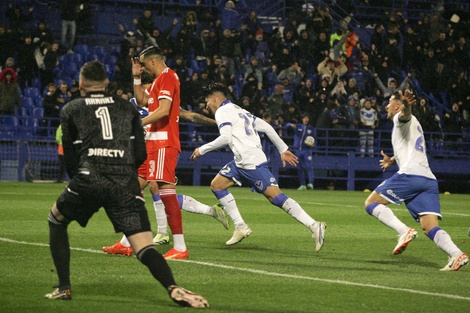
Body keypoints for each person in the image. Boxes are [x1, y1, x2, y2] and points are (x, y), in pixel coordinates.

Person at [44, 61, 209, 308]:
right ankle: (173, 288)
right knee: (144, 245)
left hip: (88, 177)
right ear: (107, 84)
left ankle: (64, 287)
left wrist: (80, 178)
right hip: (124, 182)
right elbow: (140, 154)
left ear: (80, 85)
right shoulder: (125, 108)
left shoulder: (71, 109)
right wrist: (124, 173)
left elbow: (70, 157)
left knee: (56, 219)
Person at [103, 75, 229, 257]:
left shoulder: (164, 104)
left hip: (159, 150)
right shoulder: (134, 103)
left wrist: (217, 123)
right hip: (142, 153)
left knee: (158, 191)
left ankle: (160, 236)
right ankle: (129, 241)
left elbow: (190, 116)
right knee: (134, 193)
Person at [191, 83, 326, 251]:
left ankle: (314, 225)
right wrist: (283, 149)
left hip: (250, 162)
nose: (207, 106)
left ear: (214, 98)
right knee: (217, 185)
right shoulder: (239, 109)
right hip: (241, 161)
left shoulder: (222, 111)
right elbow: (266, 127)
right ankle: (240, 226)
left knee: (276, 198)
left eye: (207, 101)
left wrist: (201, 149)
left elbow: (225, 137)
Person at [364, 90, 468, 271]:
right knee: (429, 227)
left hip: (410, 175)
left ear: (397, 106)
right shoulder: (413, 125)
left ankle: (404, 231)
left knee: (370, 203)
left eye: (390, 102)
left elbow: (405, 115)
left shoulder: (400, 118)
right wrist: (393, 159)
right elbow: (410, 146)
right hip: (427, 179)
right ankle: (457, 254)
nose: (387, 106)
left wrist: (407, 106)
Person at [131, 46, 188, 259]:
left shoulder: (167, 77)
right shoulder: (157, 81)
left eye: (144, 65)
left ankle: (180, 247)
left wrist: (139, 122)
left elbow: (164, 111)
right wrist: (136, 78)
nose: (144, 68)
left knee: (166, 193)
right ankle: (131, 241)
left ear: (153, 62)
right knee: (157, 192)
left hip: (164, 142)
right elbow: (141, 101)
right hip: (154, 144)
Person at [286, 114, 316, 190]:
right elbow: (287, 125)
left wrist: (313, 144)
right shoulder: (298, 126)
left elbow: (315, 139)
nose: (306, 119)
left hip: (307, 150)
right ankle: (302, 185)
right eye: (304, 118)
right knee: (299, 167)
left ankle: (311, 183)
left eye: (307, 118)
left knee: (309, 166)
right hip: (298, 150)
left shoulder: (311, 129)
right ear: (302, 119)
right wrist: (291, 125)